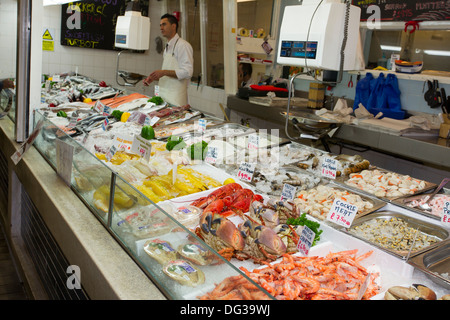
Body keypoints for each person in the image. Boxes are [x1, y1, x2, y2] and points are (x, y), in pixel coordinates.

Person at [144, 14, 193, 106]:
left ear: (173, 26)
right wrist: (154, 77)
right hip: (165, 97)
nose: (161, 28)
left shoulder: (183, 46)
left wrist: (164, 72)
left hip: (176, 100)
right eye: (160, 25)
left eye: (164, 24)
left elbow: (187, 72)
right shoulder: (167, 47)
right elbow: (168, 74)